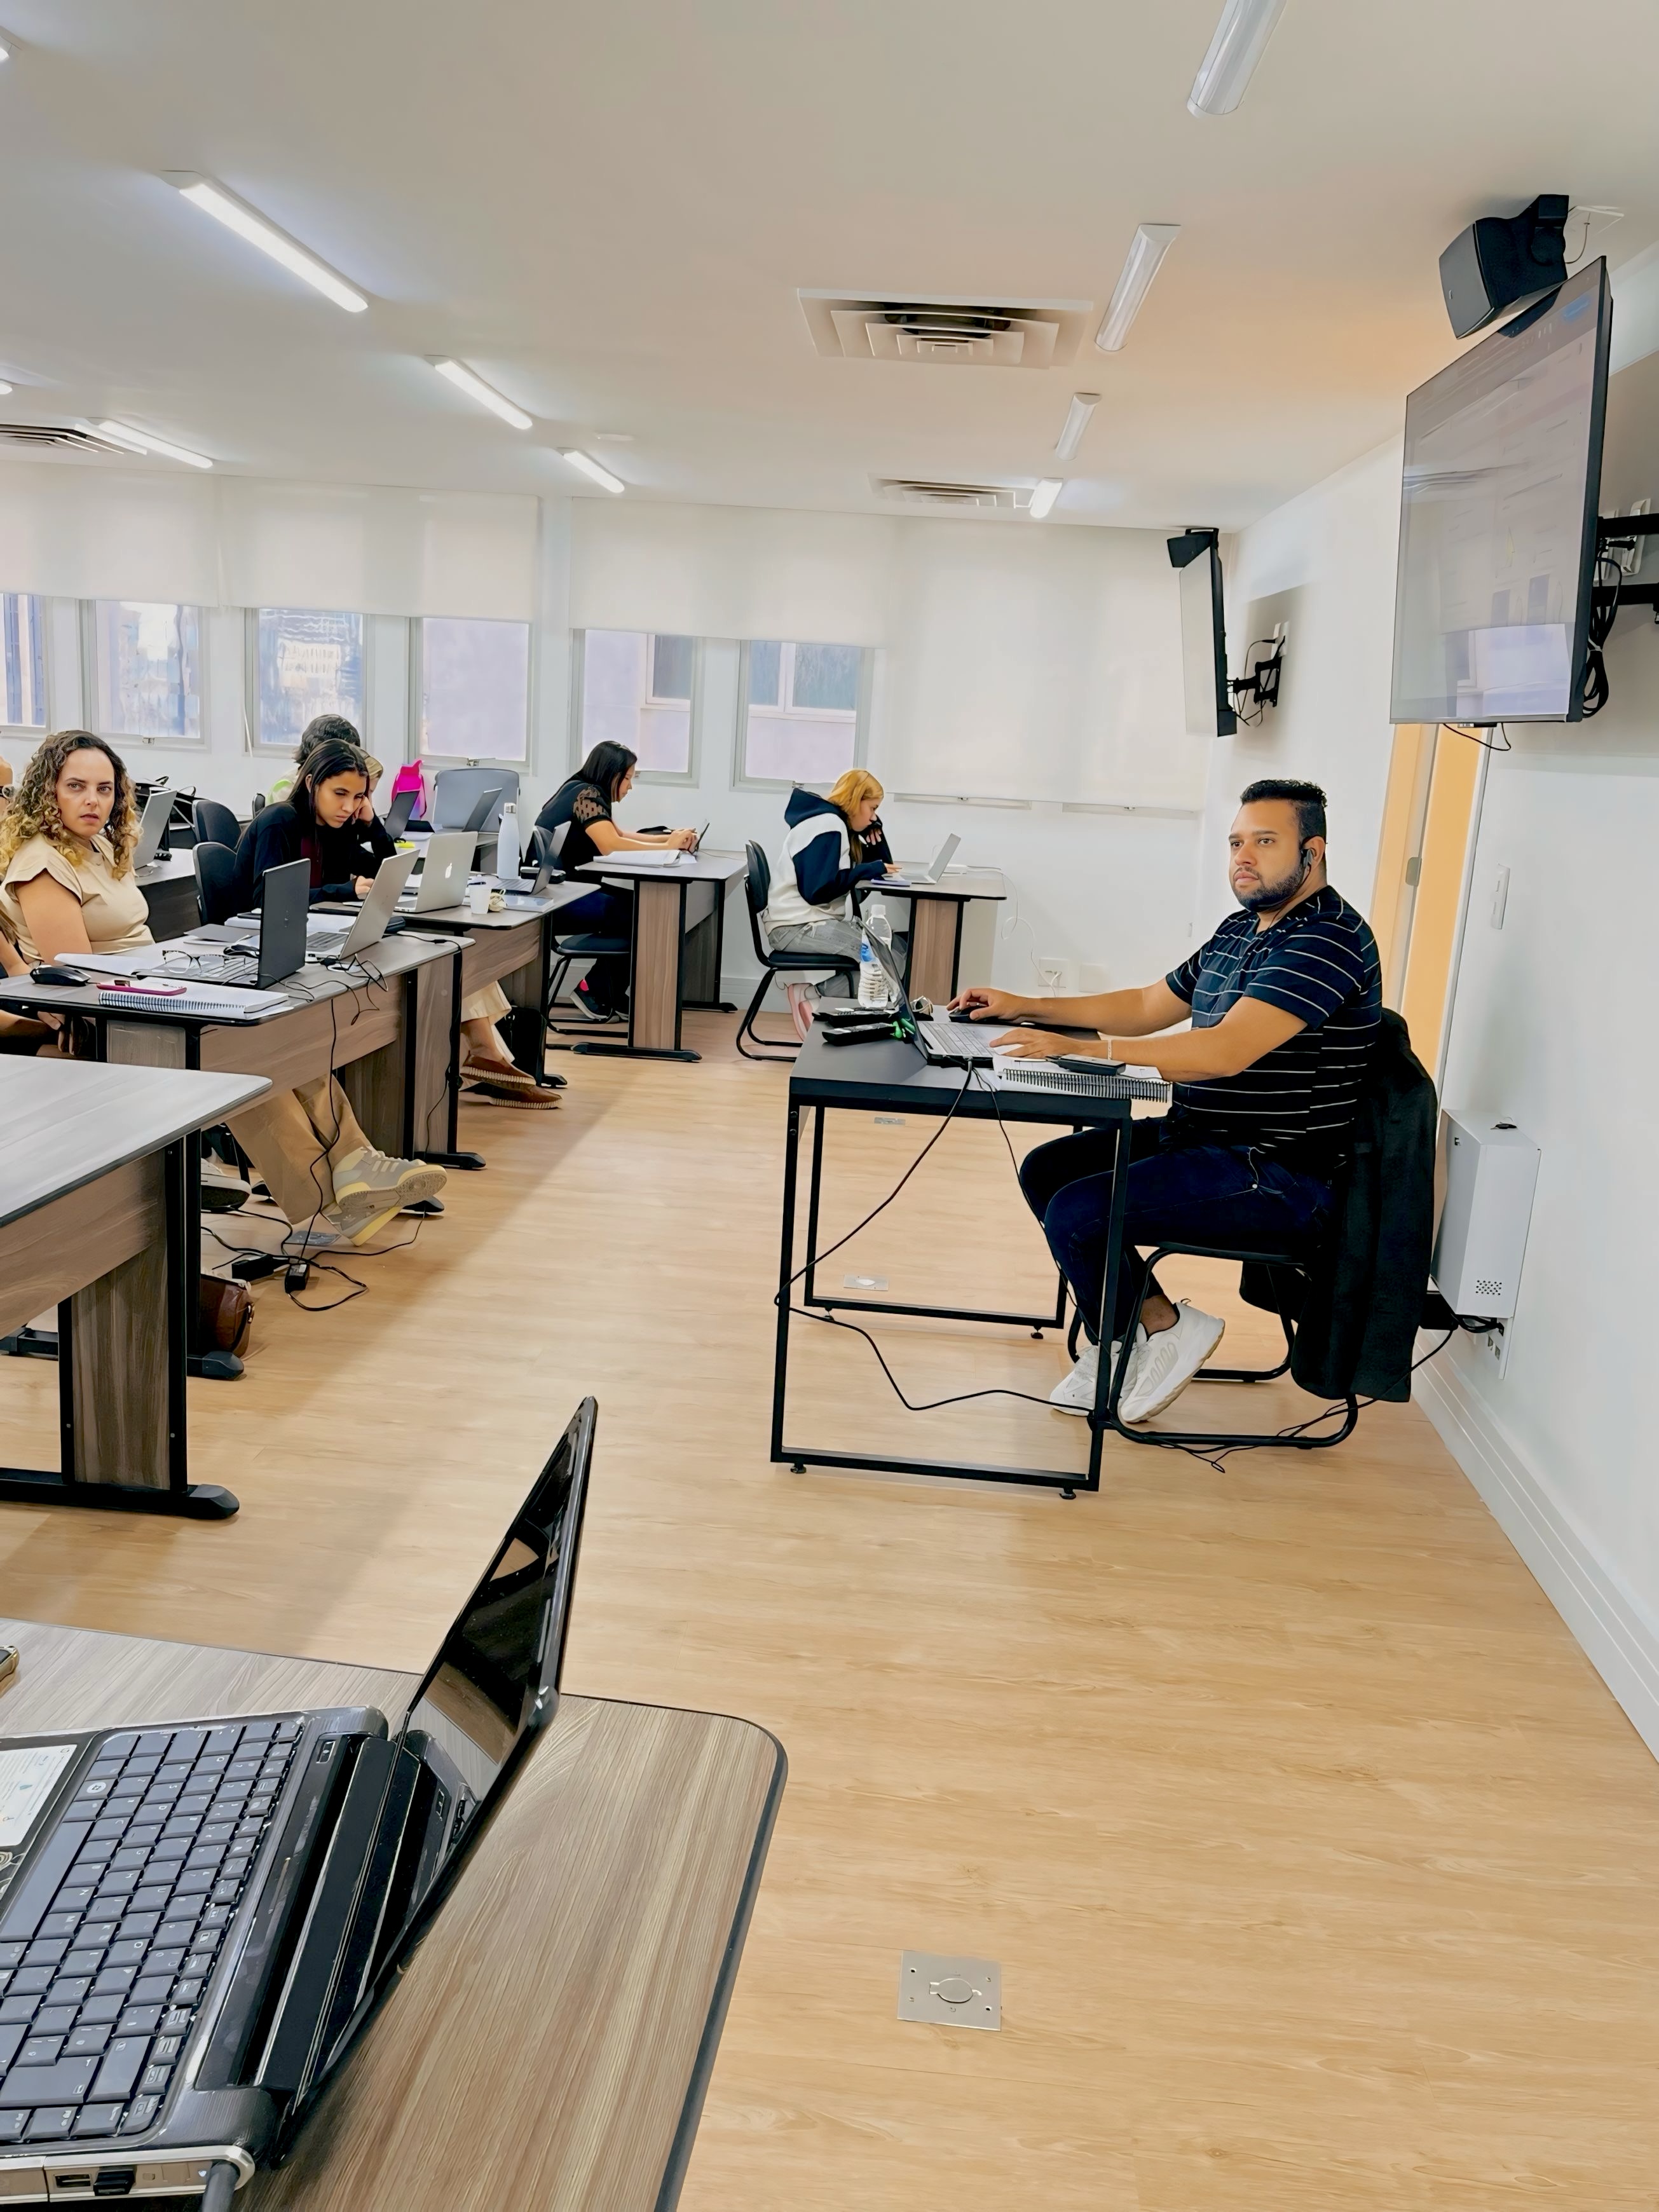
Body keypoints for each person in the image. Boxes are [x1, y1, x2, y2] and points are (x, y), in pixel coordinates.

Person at [952, 779, 1381, 1426]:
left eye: (1265, 842)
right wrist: (1026, 1004)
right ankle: (1144, 1330)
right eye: (1236, 842)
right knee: (1048, 1170)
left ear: (1311, 852)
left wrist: (1088, 1051)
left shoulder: (1326, 941)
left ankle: (1143, 1336)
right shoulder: (1242, 928)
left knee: (1079, 1214)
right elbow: (1149, 1004)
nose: (1243, 857)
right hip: (1205, 1138)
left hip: (1279, 1175)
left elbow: (1224, 1052)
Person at [0, 729, 448, 1246]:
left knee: (281, 1034)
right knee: (241, 1056)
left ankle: (355, 1167)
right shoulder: (44, 864)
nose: (93, 801)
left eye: (104, 789)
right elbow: (77, 980)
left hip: (152, 991)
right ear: (48, 791)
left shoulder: (96, 846)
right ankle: (334, 1194)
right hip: (122, 1020)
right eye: (76, 787)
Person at [242, 731, 549, 1109]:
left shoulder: (336, 828)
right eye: (340, 794)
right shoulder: (281, 822)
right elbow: (266, 901)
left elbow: (386, 869)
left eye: (359, 797)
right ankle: (487, 1058)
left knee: (446, 953)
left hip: (325, 933)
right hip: (266, 945)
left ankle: (488, 1057)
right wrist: (344, 890)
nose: (348, 806)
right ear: (311, 783)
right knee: (431, 960)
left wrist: (372, 824)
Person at [535, 742, 697, 1021]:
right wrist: (668, 846)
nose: (630, 787)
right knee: (647, 911)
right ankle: (594, 991)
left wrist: (670, 840)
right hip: (561, 900)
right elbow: (610, 846)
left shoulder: (578, 789)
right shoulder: (587, 794)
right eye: (628, 779)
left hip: (567, 891)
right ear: (611, 774)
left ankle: (607, 992)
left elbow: (619, 835)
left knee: (644, 907)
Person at [761, 769, 908, 1035]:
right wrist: (867, 869)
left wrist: (876, 834)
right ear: (855, 800)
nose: (873, 816)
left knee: (896, 949)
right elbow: (817, 891)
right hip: (795, 928)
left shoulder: (836, 824)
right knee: (887, 958)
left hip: (807, 923)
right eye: (873, 808)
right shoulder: (827, 825)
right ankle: (813, 997)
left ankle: (812, 996)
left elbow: (884, 867)